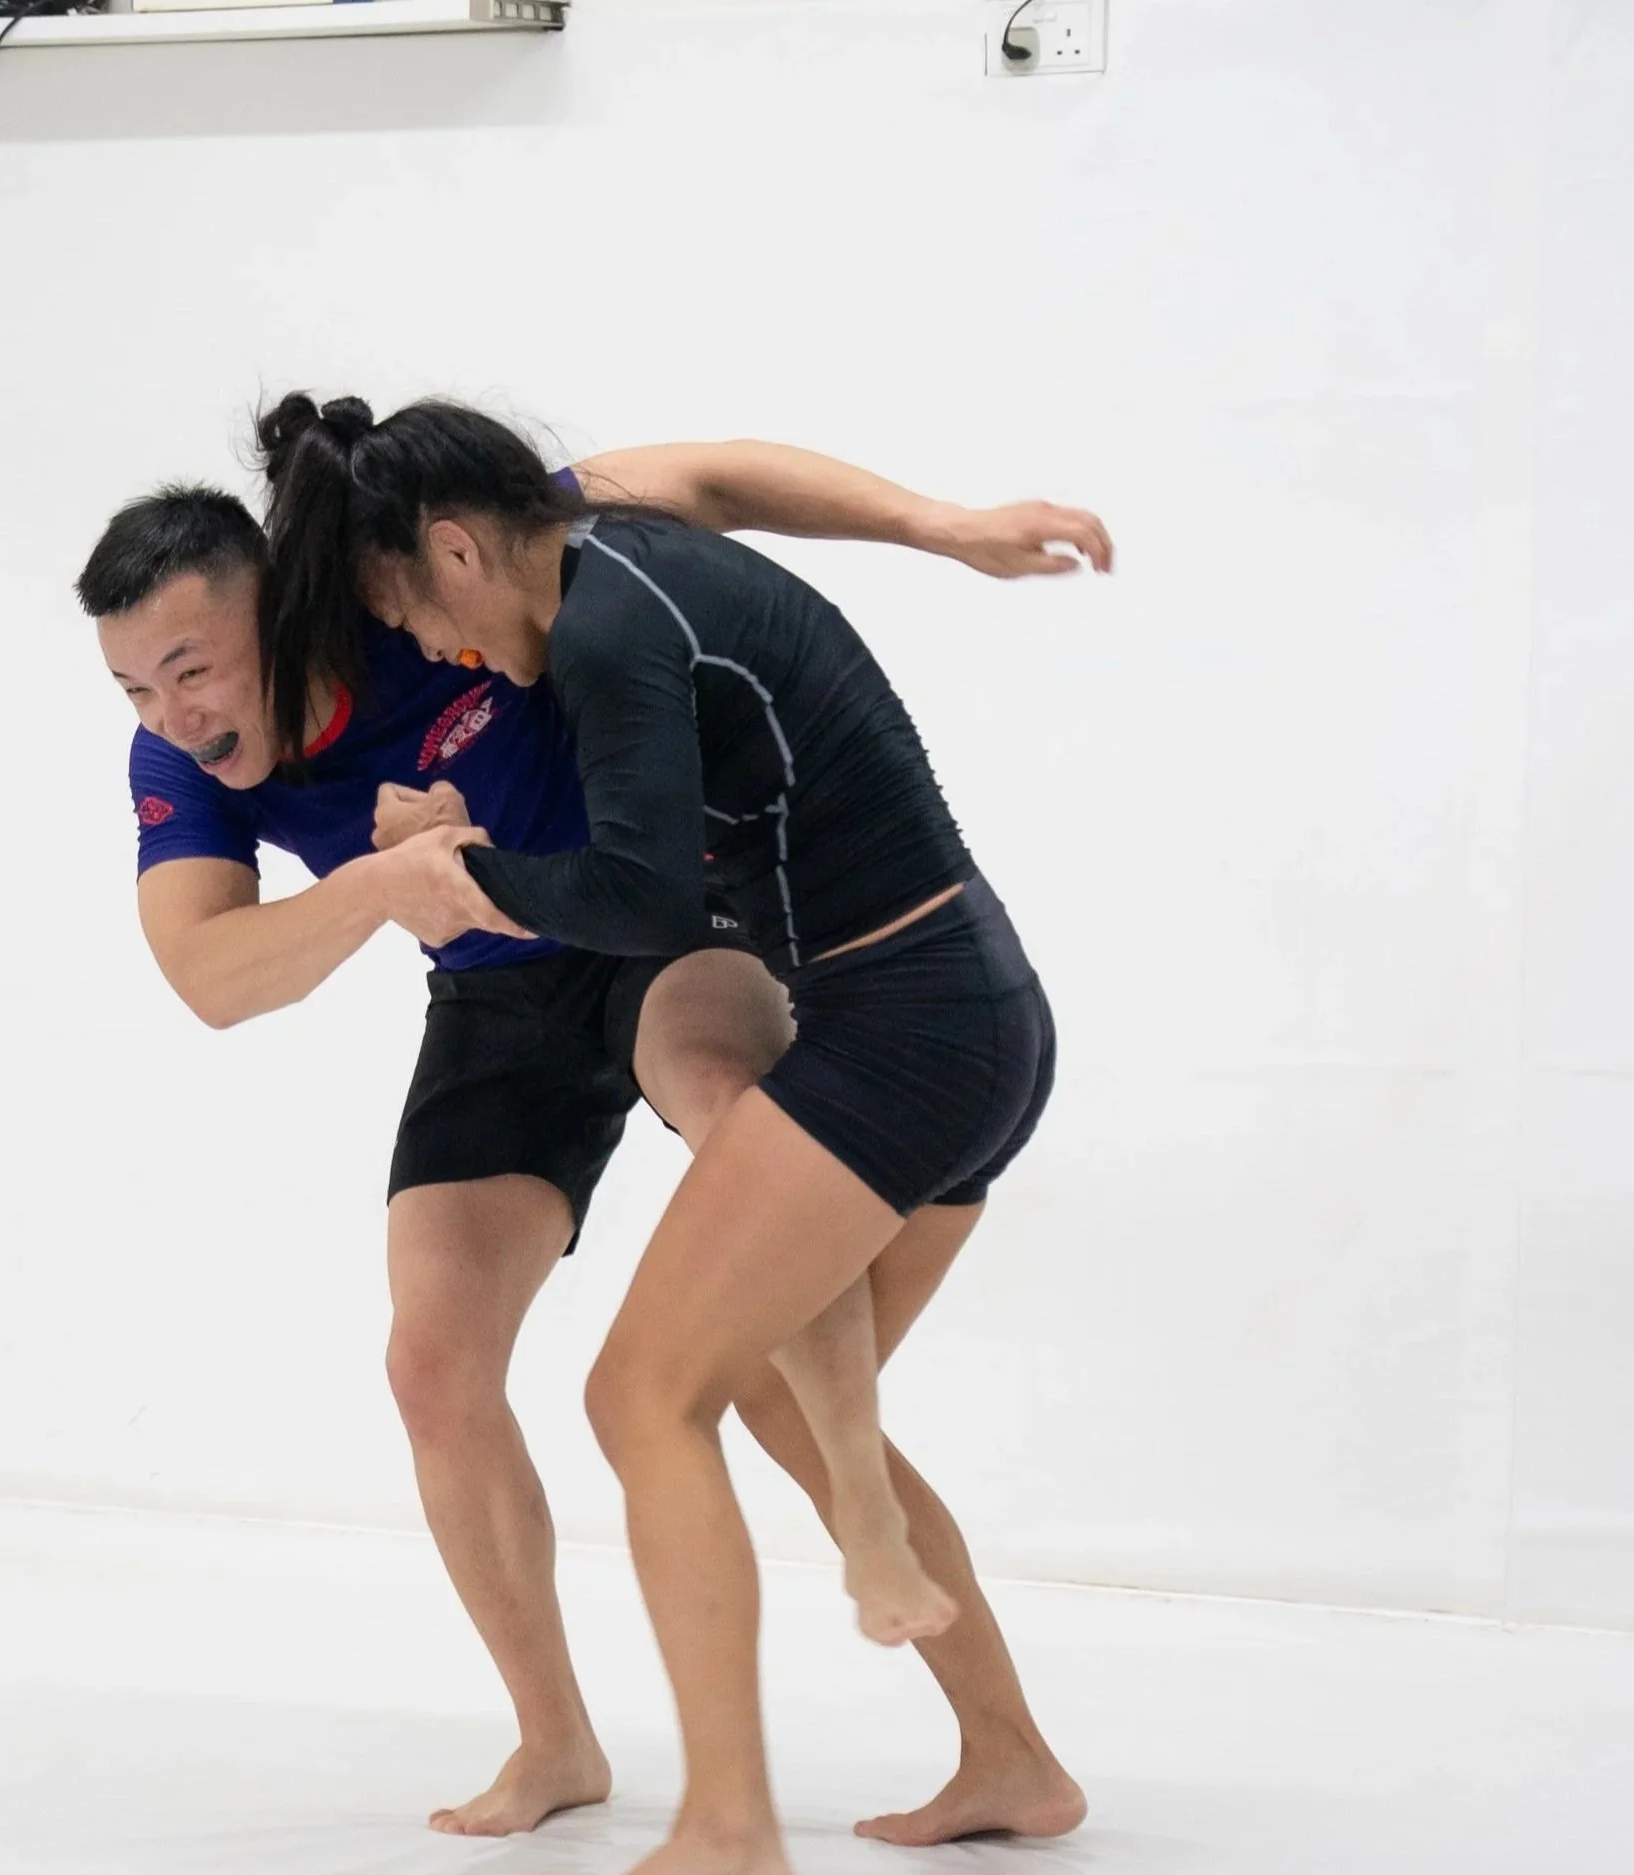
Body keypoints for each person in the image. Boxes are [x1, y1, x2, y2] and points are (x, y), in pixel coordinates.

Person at [80, 432, 1104, 1846]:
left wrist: (939, 521)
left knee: (726, 1123)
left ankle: (948, 1661)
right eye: (134, 685)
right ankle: (555, 1739)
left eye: (192, 667)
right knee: (431, 1362)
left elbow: (707, 480)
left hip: (653, 922)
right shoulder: (183, 761)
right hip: (495, 975)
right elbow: (207, 975)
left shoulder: (421, 565)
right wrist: (386, 885)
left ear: (287, 602)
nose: (172, 713)